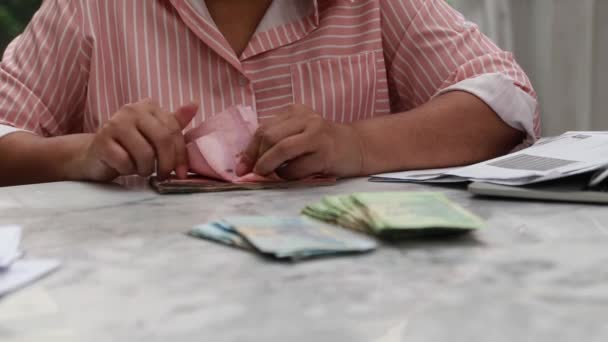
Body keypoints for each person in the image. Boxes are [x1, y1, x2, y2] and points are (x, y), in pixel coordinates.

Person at [0, 0, 539, 186]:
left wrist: (354, 145)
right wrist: (84, 153)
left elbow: (503, 98)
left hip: (341, 298)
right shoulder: (94, 8)